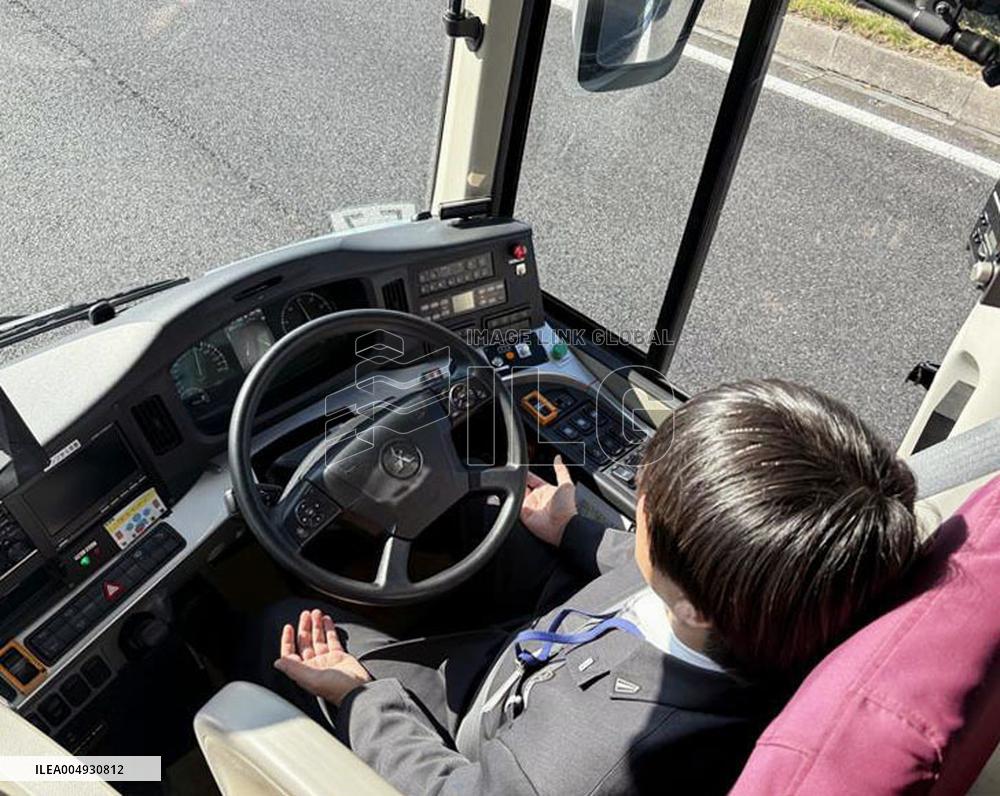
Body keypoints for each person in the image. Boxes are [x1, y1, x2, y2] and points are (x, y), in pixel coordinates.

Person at [248, 379, 922, 795]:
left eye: (647, 507)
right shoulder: (783, 596)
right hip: (569, 642)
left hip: (494, 726)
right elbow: (642, 577)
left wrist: (362, 698)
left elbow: (458, 790)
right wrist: (573, 531)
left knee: (278, 619)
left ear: (692, 602)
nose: (636, 496)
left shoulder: (584, 767)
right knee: (492, 512)